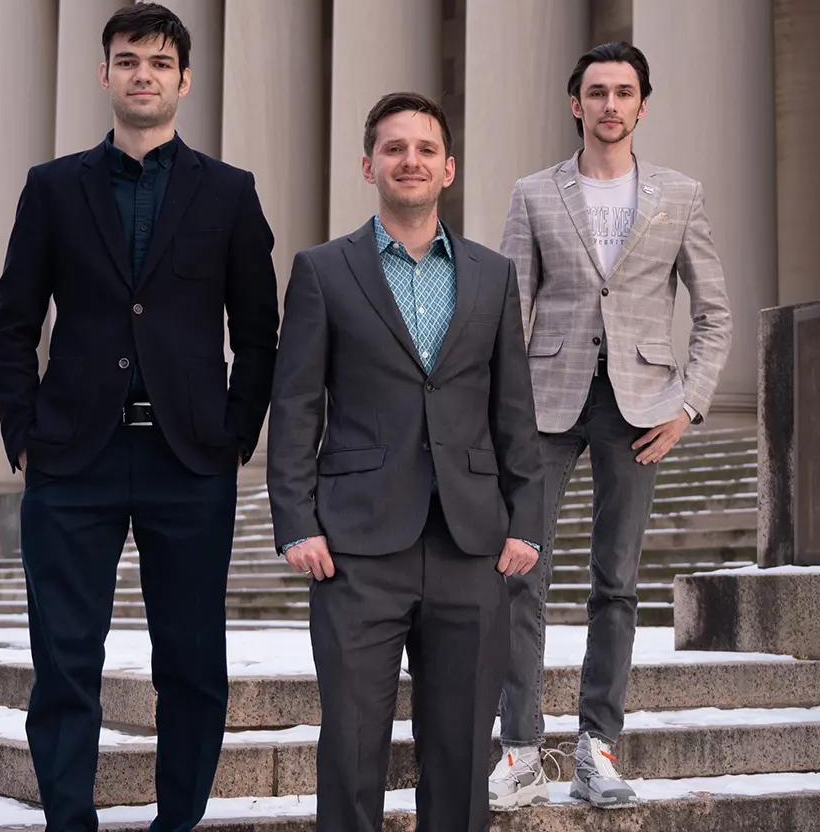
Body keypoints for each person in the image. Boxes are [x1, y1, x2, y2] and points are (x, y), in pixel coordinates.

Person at [0, 2, 279, 832]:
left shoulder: (228, 193)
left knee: (190, 664)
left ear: (184, 81)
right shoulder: (52, 189)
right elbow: (14, 324)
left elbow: (259, 334)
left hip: (188, 462)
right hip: (71, 460)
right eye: (126, 60)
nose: (142, 73)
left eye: (158, 62)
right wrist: (23, 435)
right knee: (65, 662)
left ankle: (175, 824)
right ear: (105, 75)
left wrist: (231, 437)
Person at [266, 92, 543, 832]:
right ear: (369, 165)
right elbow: (295, 407)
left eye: (425, 149)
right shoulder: (323, 271)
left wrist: (527, 523)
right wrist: (296, 523)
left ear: (448, 168)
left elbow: (514, 410)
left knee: (458, 755)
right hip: (355, 549)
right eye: (394, 149)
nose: (410, 160)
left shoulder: (492, 276)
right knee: (352, 747)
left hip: (472, 544)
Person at [490, 41, 732, 810]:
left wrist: (688, 406)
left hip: (641, 408)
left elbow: (716, 315)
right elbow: (506, 316)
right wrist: (503, 415)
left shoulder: (680, 194)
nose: (610, 105)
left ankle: (598, 747)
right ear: (575, 103)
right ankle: (522, 750)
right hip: (547, 404)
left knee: (616, 584)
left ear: (642, 105)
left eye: (624, 92)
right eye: (596, 92)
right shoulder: (534, 194)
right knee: (520, 569)